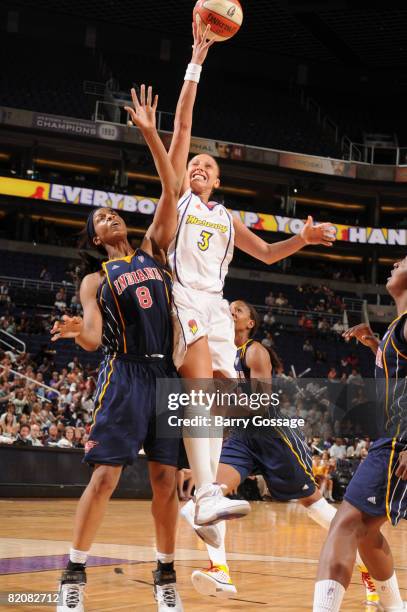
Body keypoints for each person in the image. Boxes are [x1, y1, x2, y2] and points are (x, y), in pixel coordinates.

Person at [165, 21, 337, 530]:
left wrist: (301, 241)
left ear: (218, 180)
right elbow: (182, 126)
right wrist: (196, 62)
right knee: (198, 389)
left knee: (223, 395)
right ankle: (206, 492)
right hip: (185, 296)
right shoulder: (178, 199)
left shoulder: (224, 217)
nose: (197, 167)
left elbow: (264, 253)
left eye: (205, 166)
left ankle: (208, 495)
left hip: (216, 304)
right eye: (194, 164)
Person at [51, 85, 184, 612]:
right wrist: (73, 333)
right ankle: (73, 573)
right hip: (124, 373)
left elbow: (170, 193)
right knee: (105, 477)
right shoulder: (95, 278)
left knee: (166, 483)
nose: (109, 217)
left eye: (112, 212)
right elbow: (90, 335)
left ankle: (166, 574)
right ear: (94, 236)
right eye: (100, 218)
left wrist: (151, 133)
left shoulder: (154, 248)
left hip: (166, 376)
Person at [181, 301, 378, 604]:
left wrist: (221, 394)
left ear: (250, 324)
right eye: (230, 308)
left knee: (313, 504)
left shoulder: (254, 350)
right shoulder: (216, 351)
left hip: (271, 434)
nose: (233, 312)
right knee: (210, 495)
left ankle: (365, 564)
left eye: (240, 310)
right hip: (241, 437)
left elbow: (260, 403)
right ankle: (220, 570)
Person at [313, 257, 407, 612]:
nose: (397, 262)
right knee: (366, 533)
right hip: (394, 440)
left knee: (345, 525)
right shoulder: (396, 329)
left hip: (401, 442)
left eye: (405, 260)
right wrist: (376, 347)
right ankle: (394, 606)